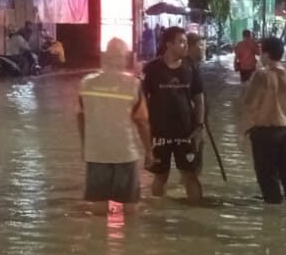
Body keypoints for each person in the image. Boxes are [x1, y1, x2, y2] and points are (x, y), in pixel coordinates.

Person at [138, 26, 206, 203]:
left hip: (186, 132)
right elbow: (141, 101)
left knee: (190, 175)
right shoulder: (152, 69)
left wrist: (199, 126)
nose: (185, 46)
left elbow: (199, 99)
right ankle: (158, 217)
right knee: (161, 176)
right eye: (181, 42)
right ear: (169, 45)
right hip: (160, 133)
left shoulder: (191, 67)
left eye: (186, 42)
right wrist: (145, 132)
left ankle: (196, 212)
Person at [77, 39, 146, 214]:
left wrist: (85, 147)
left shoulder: (86, 83)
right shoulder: (133, 84)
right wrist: (150, 151)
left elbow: (81, 116)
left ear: (105, 57)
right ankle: (128, 240)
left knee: (99, 206)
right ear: (124, 58)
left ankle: (100, 240)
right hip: (125, 152)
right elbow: (142, 121)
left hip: (96, 152)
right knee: (130, 206)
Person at [240, 37, 286, 203]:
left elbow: (249, 104)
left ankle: (272, 219)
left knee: (268, 177)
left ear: (266, 54)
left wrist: (243, 131)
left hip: (266, 132)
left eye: (261, 51)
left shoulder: (261, 75)